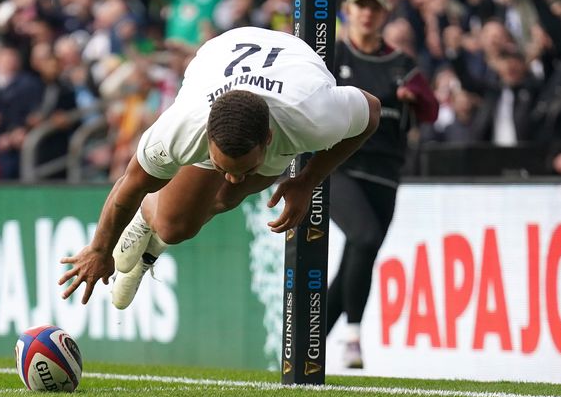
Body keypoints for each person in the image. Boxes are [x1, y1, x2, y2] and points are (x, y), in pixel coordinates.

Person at [57, 26, 381, 311]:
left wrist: (308, 180)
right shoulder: (183, 126)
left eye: (243, 168)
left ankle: (145, 257)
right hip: (221, 55)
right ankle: (146, 220)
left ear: (268, 138)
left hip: (291, 74)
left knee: (226, 197)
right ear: (207, 139)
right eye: (222, 165)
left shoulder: (314, 118)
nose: (233, 177)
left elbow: (372, 111)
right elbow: (132, 183)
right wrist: (100, 249)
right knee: (175, 227)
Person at [327, 0, 438, 369]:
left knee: (361, 253)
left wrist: (416, 96)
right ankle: (354, 336)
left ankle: (310, 340)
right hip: (338, 167)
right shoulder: (333, 54)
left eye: (375, 7)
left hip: (386, 171)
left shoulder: (402, 65)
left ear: (385, 14)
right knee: (365, 236)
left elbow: (432, 110)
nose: (367, 14)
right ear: (349, 10)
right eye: (361, 6)